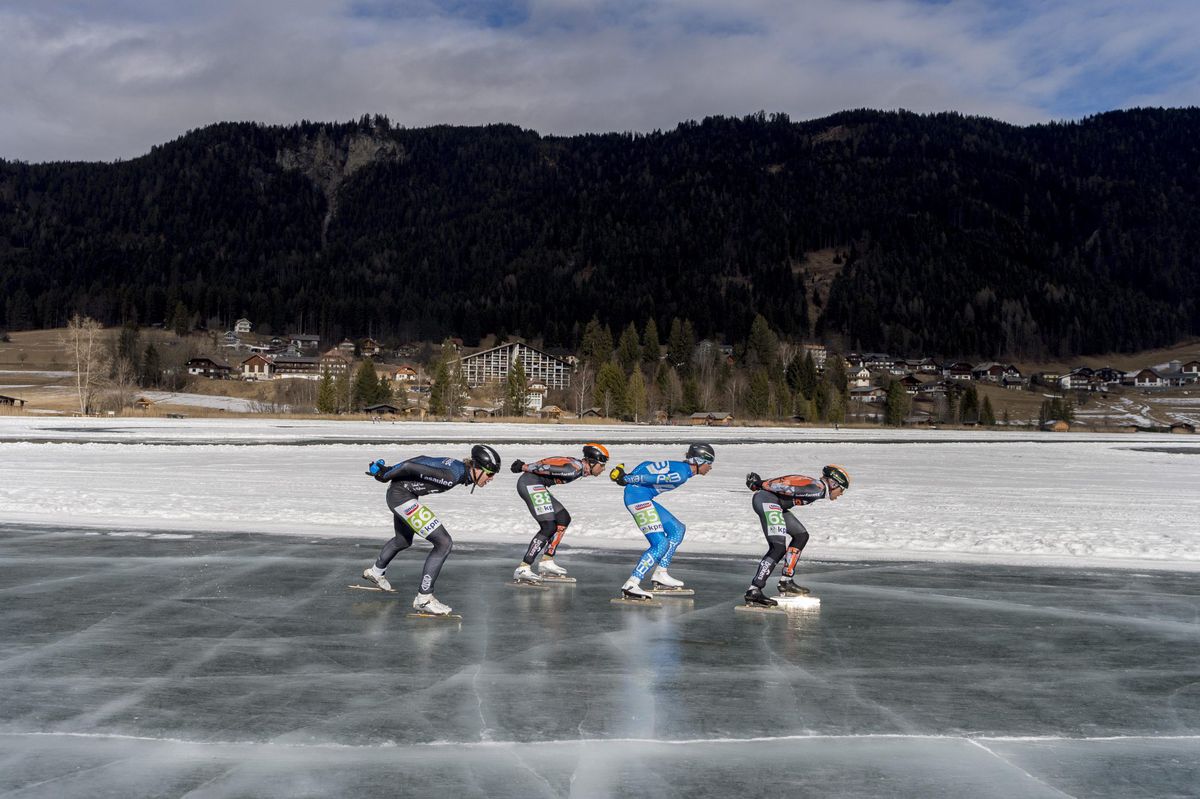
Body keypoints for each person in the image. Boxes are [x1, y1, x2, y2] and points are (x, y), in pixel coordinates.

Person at [360, 444, 501, 615]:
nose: (491, 479)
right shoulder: (451, 476)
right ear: (477, 468)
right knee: (444, 543)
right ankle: (424, 598)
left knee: (403, 540)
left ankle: (376, 572)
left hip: (402, 494)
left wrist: (389, 471)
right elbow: (410, 466)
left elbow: (421, 459)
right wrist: (386, 474)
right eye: (490, 474)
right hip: (401, 497)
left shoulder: (457, 468)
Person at [609, 442, 715, 599]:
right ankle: (632, 583)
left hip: (642, 496)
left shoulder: (680, 467)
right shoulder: (681, 474)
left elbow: (646, 464)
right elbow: (653, 477)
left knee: (677, 529)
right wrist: (628, 478)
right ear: (699, 461)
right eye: (709, 463)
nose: (710, 468)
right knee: (660, 544)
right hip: (637, 498)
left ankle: (661, 573)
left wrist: (627, 477)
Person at [741, 464, 850, 607]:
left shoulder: (816, 485)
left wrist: (760, 484)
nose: (841, 493)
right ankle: (754, 590)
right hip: (767, 501)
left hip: (774, 502)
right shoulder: (817, 489)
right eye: (842, 489)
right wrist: (760, 484)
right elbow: (786, 486)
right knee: (778, 548)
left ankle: (786, 581)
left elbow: (787, 481)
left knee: (801, 536)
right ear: (834, 483)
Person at [510, 443, 611, 583]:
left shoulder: (577, 467)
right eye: (602, 464)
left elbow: (551, 464)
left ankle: (546, 560)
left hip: (536, 484)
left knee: (563, 518)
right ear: (592, 462)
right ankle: (523, 567)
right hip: (529, 483)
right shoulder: (572, 470)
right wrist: (523, 466)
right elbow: (546, 467)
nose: (603, 469)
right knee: (548, 527)